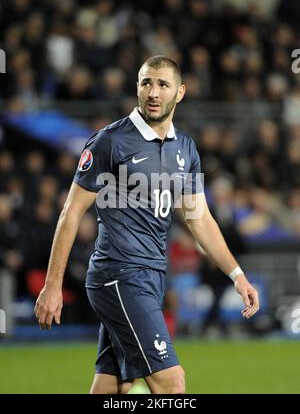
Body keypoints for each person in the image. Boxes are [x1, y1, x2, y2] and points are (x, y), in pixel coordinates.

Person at [34, 56, 259, 394]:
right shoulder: (110, 141)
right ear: (137, 87)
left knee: (113, 386)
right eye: (146, 83)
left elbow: (200, 220)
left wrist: (237, 274)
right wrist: (53, 285)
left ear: (179, 92)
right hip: (119, 276)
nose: (153, 92)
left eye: (163, 84)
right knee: (172, 381)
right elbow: (70, 212)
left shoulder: (185, 148)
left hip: (152, 277)